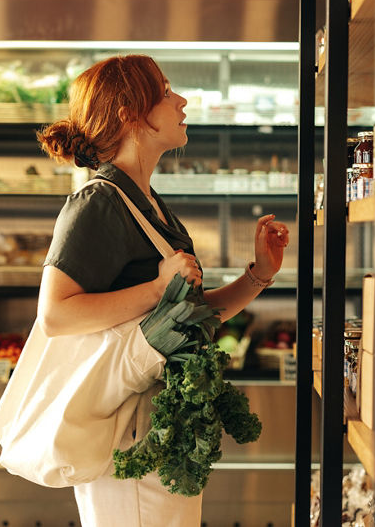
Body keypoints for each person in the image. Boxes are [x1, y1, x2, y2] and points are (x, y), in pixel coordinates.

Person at [36, 54, 289, 527]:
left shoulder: (146, 202)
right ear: (131, 114)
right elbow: (56, 315)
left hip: (158, 427)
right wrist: (156, 287)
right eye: (167, 90)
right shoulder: (98, 202)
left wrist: (257, 275)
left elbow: (187, 314)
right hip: (126, 433)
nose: (182, 100)